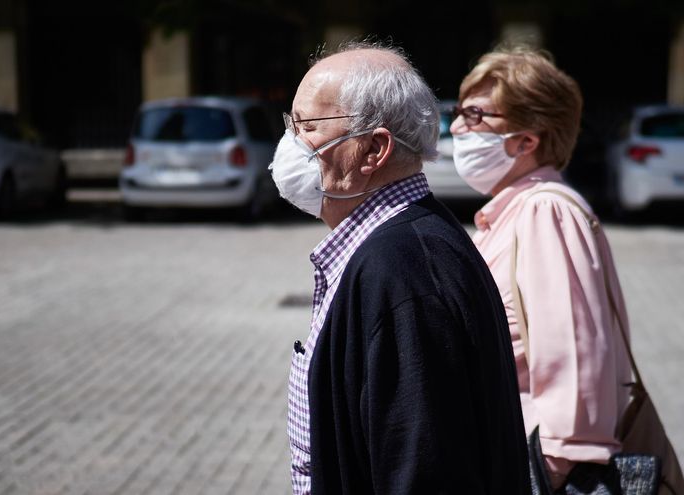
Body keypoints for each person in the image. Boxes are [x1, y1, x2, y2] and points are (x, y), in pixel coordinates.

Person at [270, 42, 529, 495]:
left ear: (373, 149)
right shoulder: (395, 247)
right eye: (291, 124)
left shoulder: (404, 270)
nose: (292, 143)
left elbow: (424, 470)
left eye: (307, 127)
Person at [449, 46, 633, 490]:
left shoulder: (544, 212)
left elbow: (574, 354)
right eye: (459, 112)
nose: (455, 126)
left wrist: (554, 471)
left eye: (475, 116)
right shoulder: (510, 212)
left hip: (534, 468)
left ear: (526, 141)